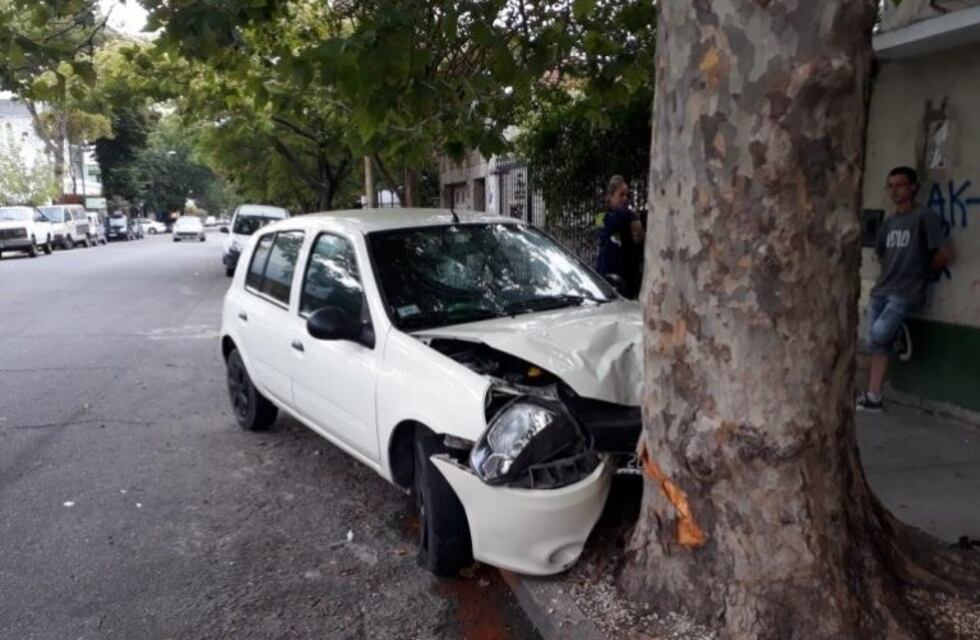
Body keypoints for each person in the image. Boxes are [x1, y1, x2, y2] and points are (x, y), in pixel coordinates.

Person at [857, 166, 953, 412]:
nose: (894, 190)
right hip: (883, 288)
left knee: (879, 334)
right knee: (875, 344)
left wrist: (921, 271)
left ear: (913, 187)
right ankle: (874, 397)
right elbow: (881, 253)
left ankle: (897, 330)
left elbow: (944, 253)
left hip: (906, 291)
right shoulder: (889, 222)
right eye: (890, 186)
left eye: (900, 185)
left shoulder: (924, 216)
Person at [595, 176, 643, 298]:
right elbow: (611, 223)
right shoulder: (601, 217)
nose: (625, 199)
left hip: (629, 281)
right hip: (608, 280)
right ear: (610, 196)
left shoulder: (630, 219)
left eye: (627, 196)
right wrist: (630, 215)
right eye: (621, 195)